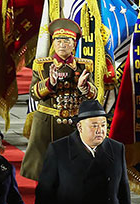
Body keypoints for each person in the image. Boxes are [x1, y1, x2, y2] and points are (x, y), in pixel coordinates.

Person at [22, 19, 96, 180]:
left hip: (74, 125)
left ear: (74, 44)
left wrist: (84, 88)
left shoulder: (84, 66)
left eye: (66, 41)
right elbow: (34, 94)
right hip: (47, 124)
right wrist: (50, 83)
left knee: (75, 173)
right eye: (58, 40)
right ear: (53, 43)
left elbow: (95, 94)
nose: (61, 44)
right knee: (45, 173)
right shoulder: (42, 66)